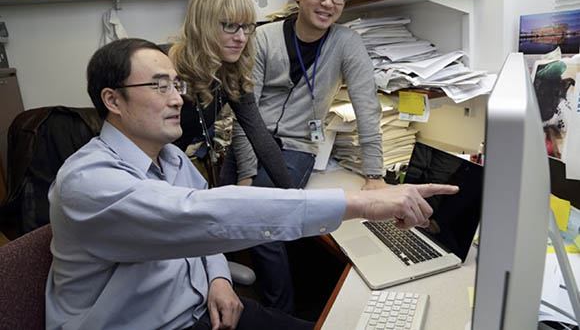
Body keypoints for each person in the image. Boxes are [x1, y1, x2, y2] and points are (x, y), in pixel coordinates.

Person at [45, 37, 458, 330]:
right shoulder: (87, 182)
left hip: (204, 307)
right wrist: (362, 204)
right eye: (159, 86)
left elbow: (201, 229)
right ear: (112, 100)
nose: (176, 99)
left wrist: (219, 278)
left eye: (177, 85)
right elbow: (198, 217)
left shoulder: (169, 158)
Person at [224, 0, 386, 313]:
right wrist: (248, 174)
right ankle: (221, 296)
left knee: (263, 223)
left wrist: (375, 173)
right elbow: (245, 113)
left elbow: (366, 107)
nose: (328, 3)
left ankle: (278, 314)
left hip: (297, 148)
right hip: (250, 140)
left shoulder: (347, 43)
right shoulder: (263, 38)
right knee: (220, 213)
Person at [170, 0, 294, 189]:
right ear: (202, 24)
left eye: (246, 27)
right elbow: (145, 147)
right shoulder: (168, 72)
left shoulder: (231, 72)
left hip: (172, 164)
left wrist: (296, 196)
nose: (241, 37)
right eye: (229, 25)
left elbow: (261, 139)